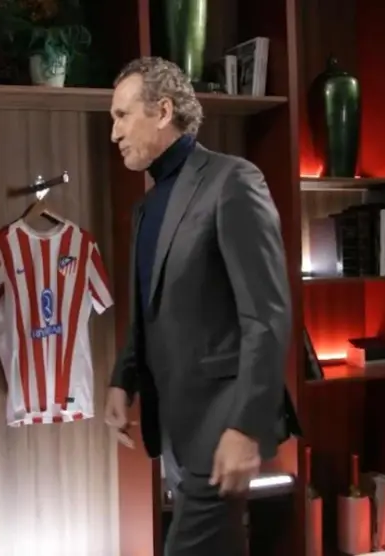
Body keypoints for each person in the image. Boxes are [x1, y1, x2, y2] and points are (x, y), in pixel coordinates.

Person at [103, 57, 293, 555]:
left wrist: (245, 426)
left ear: (163, 111)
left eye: (122, 116)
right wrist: (123, 379)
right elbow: (150, 310)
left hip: (221, 424)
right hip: (173, 425)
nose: (114, 132)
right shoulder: (146, 207)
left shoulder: (233, 181)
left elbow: (266, 315)